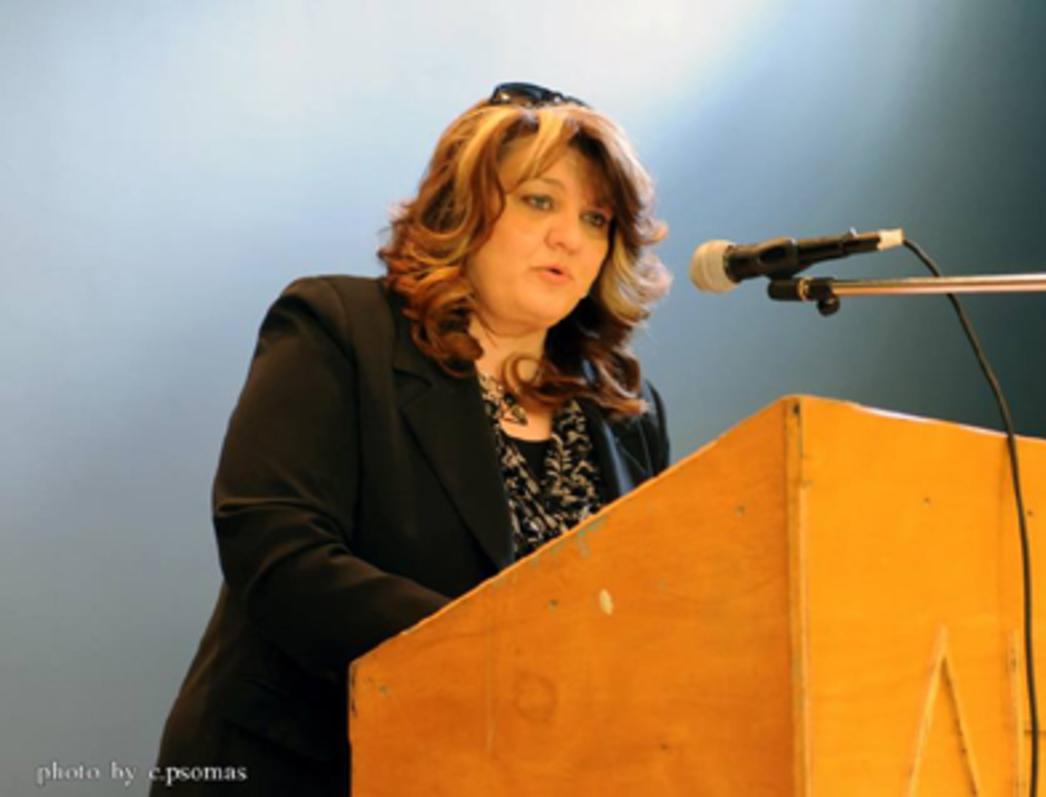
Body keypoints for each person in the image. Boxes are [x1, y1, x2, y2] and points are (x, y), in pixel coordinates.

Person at [150, 82, 672, 796]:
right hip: (308, 769)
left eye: (596, 218)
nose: (569, 237)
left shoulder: (625, 414)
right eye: (538, 200)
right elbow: (276, 549)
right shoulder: (340, 328)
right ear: (462, 209)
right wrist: (501, 652)